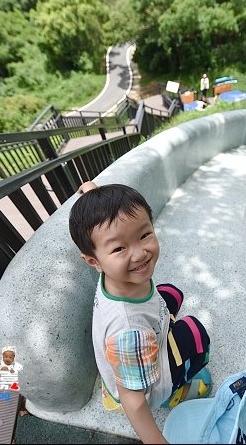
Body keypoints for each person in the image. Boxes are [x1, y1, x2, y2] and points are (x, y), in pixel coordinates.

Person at [69, 181, 212, 444]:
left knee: (172, 292)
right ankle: (177, 393)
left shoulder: (117, 276)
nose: (139, 254)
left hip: (136, 346)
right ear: (93, 261)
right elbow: (134, 402)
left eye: (144, 235)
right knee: (195, 333)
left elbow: (114, 228)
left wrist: (92, 192)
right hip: (148, 381)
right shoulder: (130, 331)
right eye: (119, 248)